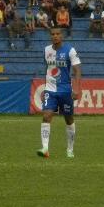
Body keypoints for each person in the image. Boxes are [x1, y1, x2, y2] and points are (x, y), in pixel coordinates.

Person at [37, 28, 81, 159]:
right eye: (52, 34)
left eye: (57, 34)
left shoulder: (70, 50)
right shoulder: (46, 50)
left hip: (65, 91)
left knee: (69, 120)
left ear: (62, 36)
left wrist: (77, 89)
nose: (55, 36)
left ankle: (70, 149)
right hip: (50, 90)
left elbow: (77, 70)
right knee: (46, 116)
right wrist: (44, 87)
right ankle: (45, 148)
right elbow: (48, 69)